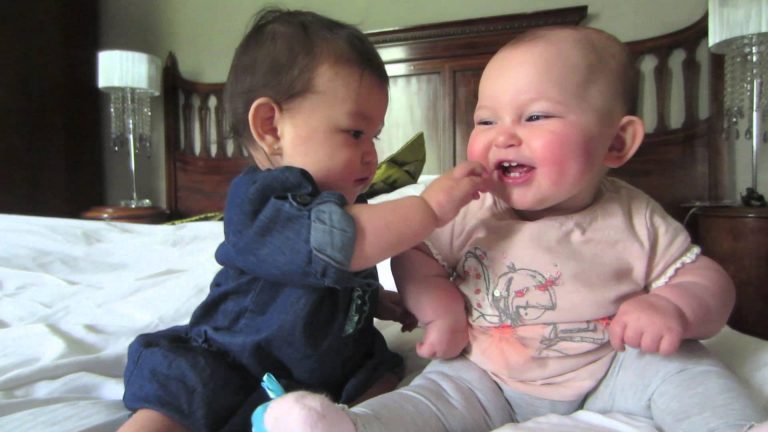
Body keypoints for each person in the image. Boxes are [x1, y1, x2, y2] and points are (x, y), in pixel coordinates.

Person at [257, 25, 768, 432]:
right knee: (430, 397)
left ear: (616, 143)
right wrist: (438, 305)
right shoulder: (470, 207)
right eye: (485, 121)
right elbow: (414, 253)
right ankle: (351, 426)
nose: (503, 138)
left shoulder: (635, 216)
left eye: (535, 116)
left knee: (685, 367)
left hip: (613, 368)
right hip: (485, 372)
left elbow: (706, 279)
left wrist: (674, 307)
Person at [117, 8, 489, 432]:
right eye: (355, 133)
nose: (371, 154)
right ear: (271, 127)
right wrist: (430, 208)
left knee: (380, 371)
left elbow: (344, 276)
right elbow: (342, 244)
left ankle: (344, 421)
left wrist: (374, 299)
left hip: (325, 365)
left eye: (374, 136)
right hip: (237, 359)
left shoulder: (348, 206)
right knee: (182, 392)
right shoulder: (264, 201)